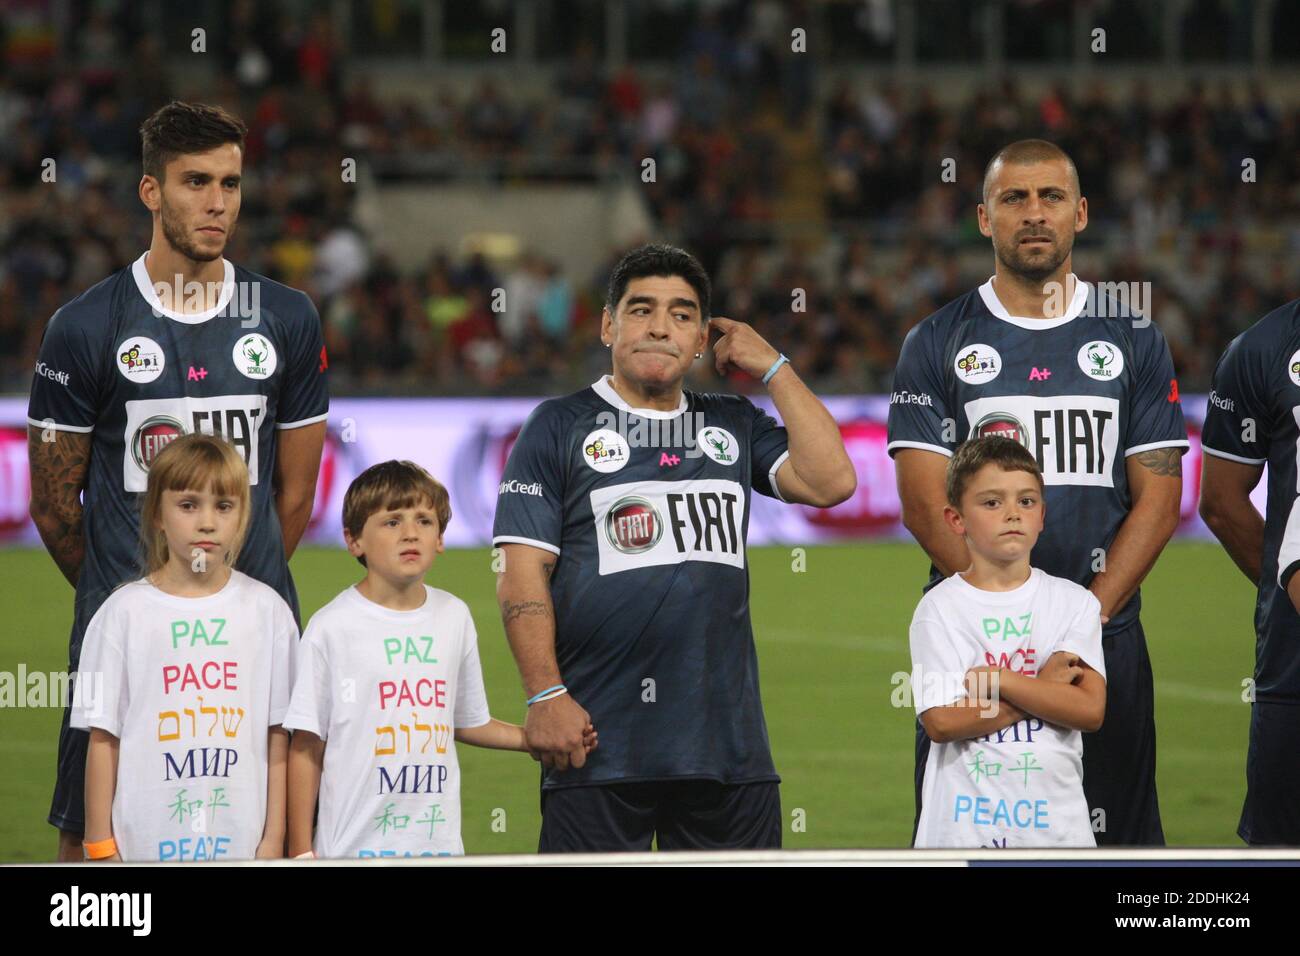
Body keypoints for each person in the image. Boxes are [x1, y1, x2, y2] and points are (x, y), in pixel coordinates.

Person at [26, 101, 329, 860]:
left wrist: (235, 589)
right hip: (124, 618)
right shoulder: (85, 326)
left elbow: (293, 496)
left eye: (230, 182)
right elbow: (55, 507)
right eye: (196, 182)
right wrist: (130, 596)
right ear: (151, 191)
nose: (218, 202)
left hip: (253, 626)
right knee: (92, 835)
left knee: (278, 829)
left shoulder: (287, 317)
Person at [492, 243, 856, 852]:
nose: (661, 326)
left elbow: (830, 481)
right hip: (596, 744)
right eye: (641, 310)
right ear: (609, 325)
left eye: (683, 315)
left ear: (700, 339)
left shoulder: (732, 421)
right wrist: (545, 695)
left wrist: (775, 368)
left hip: (728, 750)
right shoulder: (558, 424)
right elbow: (521, 572)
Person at [887, 139, 1187, 846]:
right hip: (974, 643)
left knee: (1120, 849)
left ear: (1080, 213)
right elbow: (926, 505)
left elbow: (1160, 497)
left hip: (1102, 639)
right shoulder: (934, 342)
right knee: (968, 839)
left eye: (1051, 197)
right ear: (984, 217)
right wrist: (1014, 613)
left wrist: (1081, 617)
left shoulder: (1134, 337)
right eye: (1013, 198)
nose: (1033, 213)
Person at [284, 461, 592, 858]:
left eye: (425, 521)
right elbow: (307, 744)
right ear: (354, 540)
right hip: (350, 850)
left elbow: (466, 721)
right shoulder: (332, 626)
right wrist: (300, 853)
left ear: (441, 538)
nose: (411, 533)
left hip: (436, 849)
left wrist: (532, 739)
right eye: (392, 522)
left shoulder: (454, 616)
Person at [70, 434, 295, 861]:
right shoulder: (122, 613)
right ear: (156, 513)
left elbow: (278, 736)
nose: (207, 522)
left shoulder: (269, 612)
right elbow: (103, 739)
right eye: (188, 505)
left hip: (242, 845)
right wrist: (100, 848)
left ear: (242, 516)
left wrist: (273, 840)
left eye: (223, 506)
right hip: (144, 846)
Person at [910, 437, 1106, 848]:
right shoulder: (940, 608)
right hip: (963, 834)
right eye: (992, 503)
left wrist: (1001, 679)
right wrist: (1043, 691)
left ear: (1042, 516)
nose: (1013, 514)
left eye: (1027, 502)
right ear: (956, 518)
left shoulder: (1074, 603)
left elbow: (1089, 710)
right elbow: (942, 722)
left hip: (1056, 832)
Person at [1200, 299, 1300, 845]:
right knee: (1282, 851)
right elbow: (1221, 501)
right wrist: (1288, 584)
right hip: (1293, 666)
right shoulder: (1262, 348)